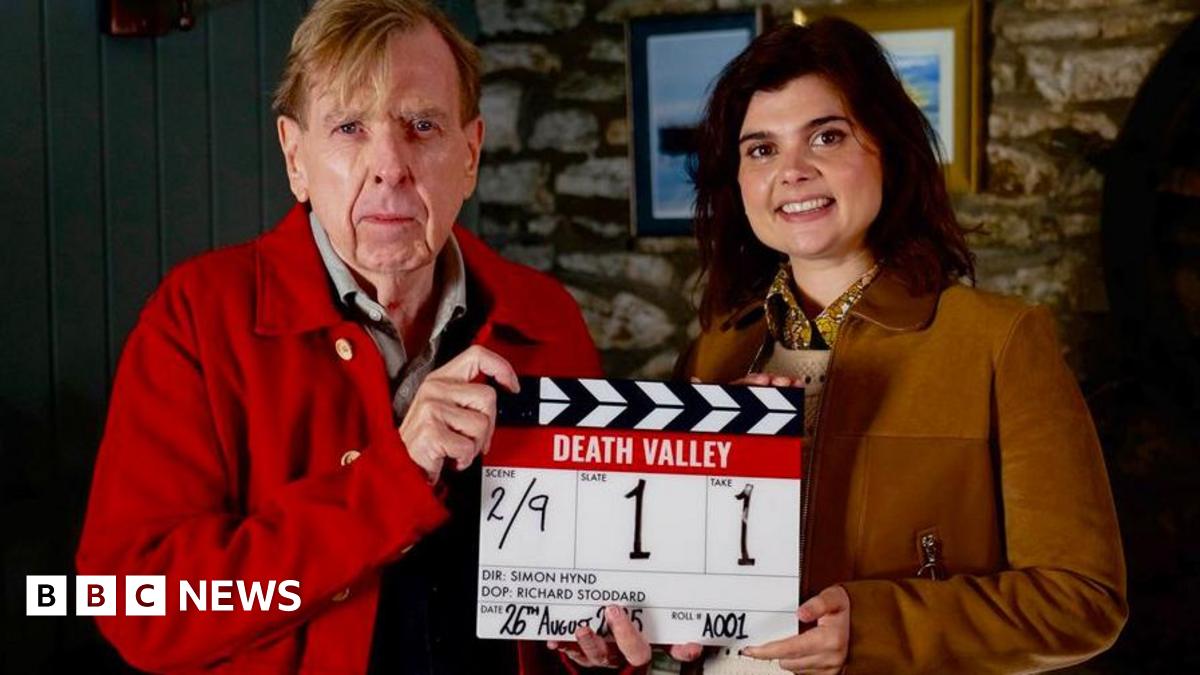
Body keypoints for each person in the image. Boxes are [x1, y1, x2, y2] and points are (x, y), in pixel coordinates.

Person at [75, 1, 602, 673]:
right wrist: (393, 478)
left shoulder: (547, 316)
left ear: (470, 153)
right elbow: (132, 603)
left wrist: (602, 649)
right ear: (296, 156)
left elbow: (591, 595)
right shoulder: (199, 319)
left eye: (421, 126)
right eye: (349, 127)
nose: (390, 166)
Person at [594, 18, 1128, 675]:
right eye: (761, 149)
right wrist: (623, 629)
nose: (793, 171)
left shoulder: (1000, 342)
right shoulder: (711, 357)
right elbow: (677, 596)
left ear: (889, 149)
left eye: (826, 136)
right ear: (737, 180)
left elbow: (1082, 600)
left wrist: (877, 625)